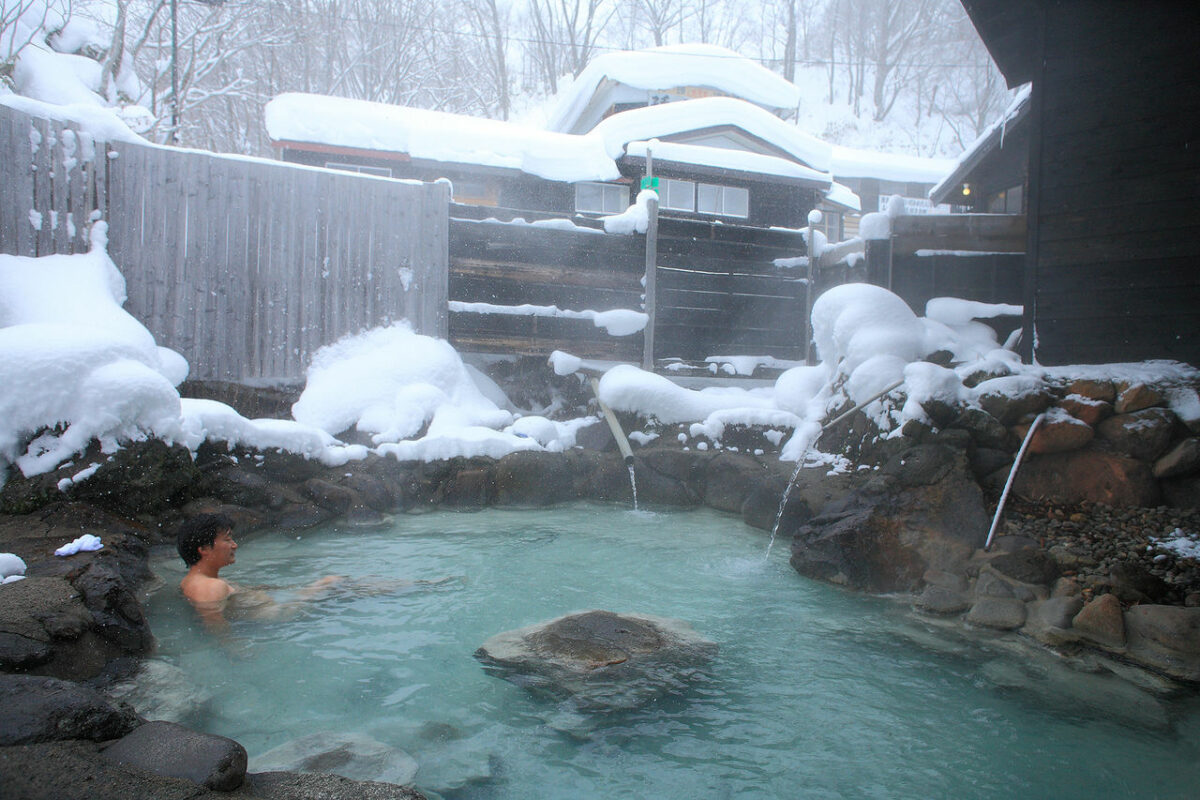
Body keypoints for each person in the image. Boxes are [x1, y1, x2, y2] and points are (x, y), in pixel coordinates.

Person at [177, 513, 340, 629]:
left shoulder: (193, 580)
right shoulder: (210, 587)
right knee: (332, 582)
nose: (234, 545)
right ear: (204, 549)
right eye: (227, 540)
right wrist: (235, 649)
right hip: (282, 617)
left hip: (275, 610)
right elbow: (214, 624)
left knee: (332, 584)